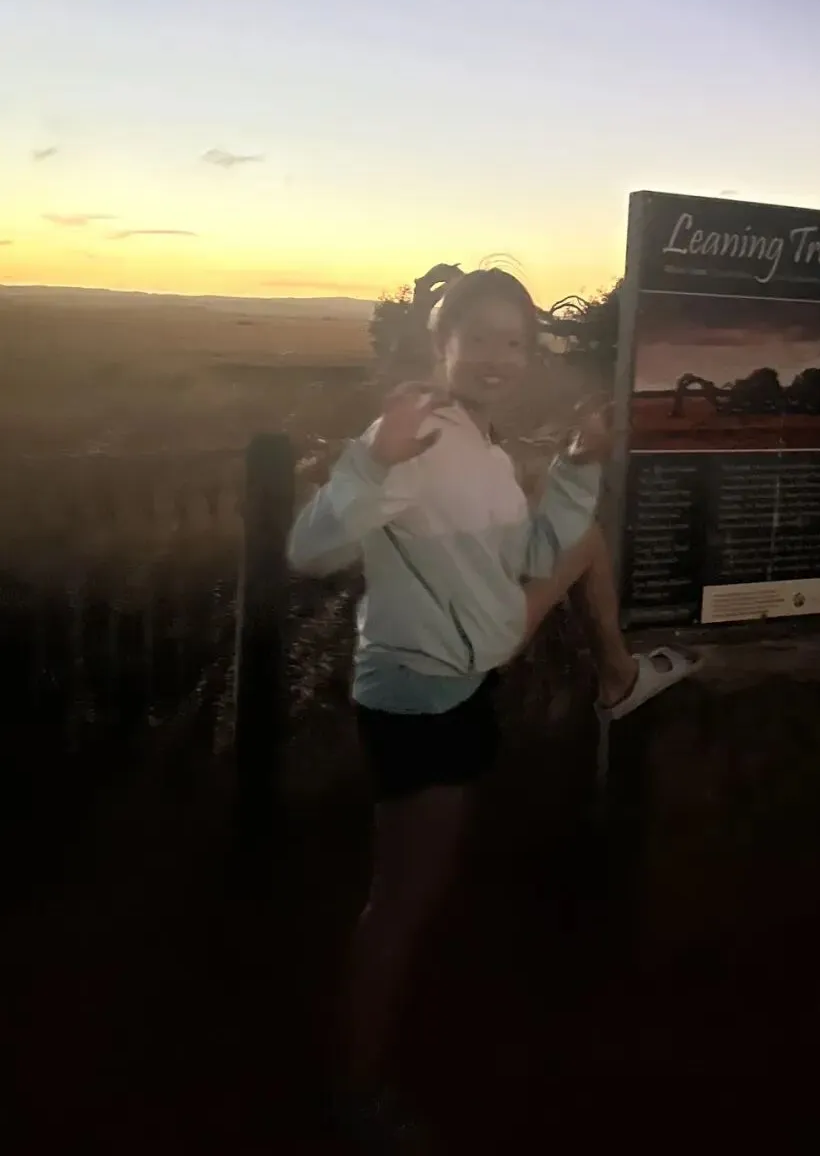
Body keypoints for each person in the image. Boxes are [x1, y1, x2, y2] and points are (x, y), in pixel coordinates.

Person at [287, 267, 700, 1144]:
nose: (499, 356)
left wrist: (579, 463)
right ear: (440, 346)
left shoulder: (484, 445)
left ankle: (384, 1053)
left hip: (467, 675)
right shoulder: (419, 437)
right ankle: (356, 1095)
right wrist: (372, 462)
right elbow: (312, 547)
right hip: (419, 695)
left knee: (421, 886)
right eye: (477, 338)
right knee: (401, 900)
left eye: (515, 340)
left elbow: (537, 551)